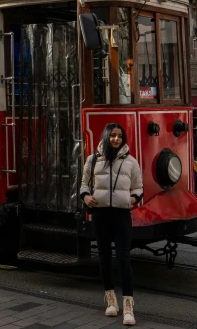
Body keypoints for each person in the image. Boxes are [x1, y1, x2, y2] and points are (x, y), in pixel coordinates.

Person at [80, 123, 143, 326]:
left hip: (121, 216)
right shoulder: (93, 159)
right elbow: (83, 184)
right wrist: (86, 197)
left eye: (119, 136)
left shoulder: (131, 162)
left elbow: (138, 188)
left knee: (124, 259)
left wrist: (130, 200)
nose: (116, 139)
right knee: (105, 259)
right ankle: (111, 302)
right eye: (113, 135)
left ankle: (128, 308)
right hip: (100, 215)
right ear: (106, 136)